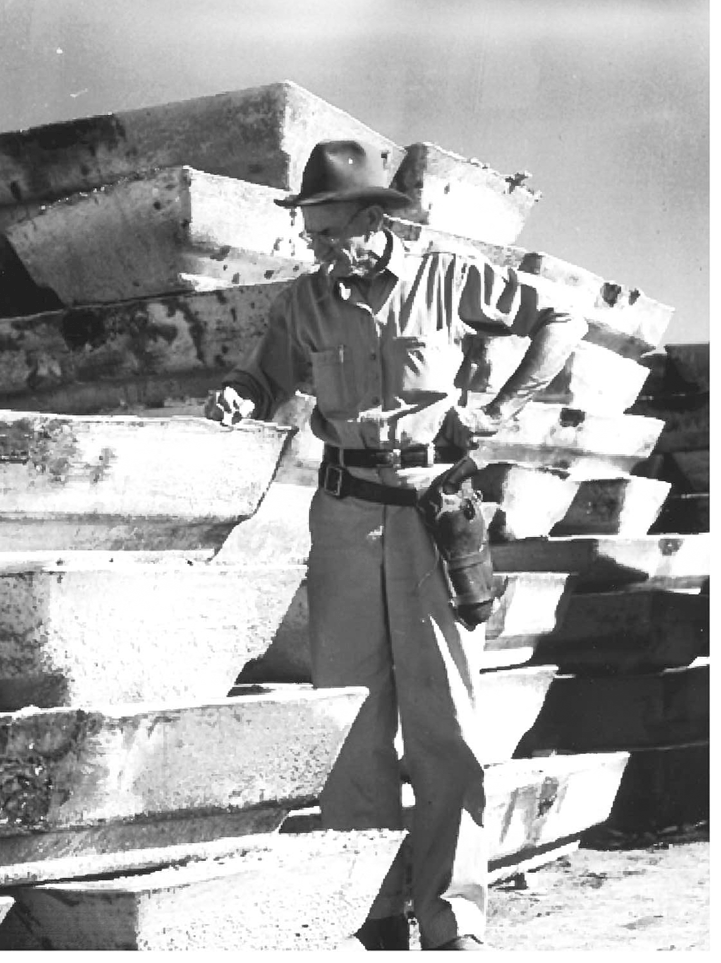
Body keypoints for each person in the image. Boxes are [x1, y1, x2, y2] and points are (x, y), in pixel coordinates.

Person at [205, 140, 584, 951]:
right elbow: (264, 377)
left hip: (430, 513)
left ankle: (454, 922)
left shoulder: (450, 280)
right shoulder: (305, 301)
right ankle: (373, 917)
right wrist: (238, 396)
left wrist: (499, 410)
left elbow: (561, 317)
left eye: (326, 226)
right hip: (342, 517)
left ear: (375, 221)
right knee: (352, 721)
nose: (313, 243)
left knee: (442, 723)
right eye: (307, 229)